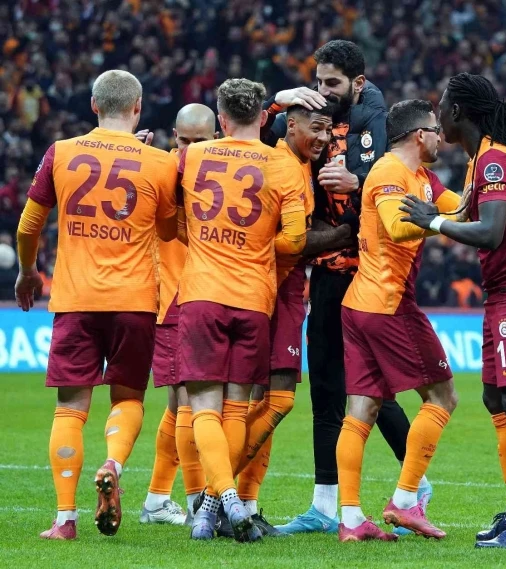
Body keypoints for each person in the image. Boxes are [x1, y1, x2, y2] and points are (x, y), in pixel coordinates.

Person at [264, 39, 430, 537]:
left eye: (331, 83)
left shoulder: (375, 117)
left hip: (369, 274)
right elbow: (263, 129)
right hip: (327, 274)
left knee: (372, 390)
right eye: (317, 81)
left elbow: (389, 176)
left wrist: (356, 181)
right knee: (328, 389)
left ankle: (415, 489)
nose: (322, 91)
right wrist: (280, 99)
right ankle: (324, 505)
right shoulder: (314, 111)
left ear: (358, 83)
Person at [400, 73, 506, 548]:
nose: (438, 115)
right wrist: (431, 211)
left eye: (442, 106)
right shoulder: (480, 160)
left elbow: (491, 232)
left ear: (459, 112)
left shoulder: (494, 159)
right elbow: (466, 218)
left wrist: (433, 222)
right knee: (495, 398)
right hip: (503, 292)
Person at [14, 70, 179, 540]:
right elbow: (169, 231)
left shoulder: (61, 152)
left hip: (76, 297)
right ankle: (113, 465)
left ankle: (65, 519)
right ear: (137, 107)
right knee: (127, 399)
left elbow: (27, 227)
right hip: (135, 300)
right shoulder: (159, 163)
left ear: (93, 105)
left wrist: (28, 272)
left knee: (70, 409)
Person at [176, 78, 308, 543]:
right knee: (236, 408)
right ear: (262, 116)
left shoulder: (191, 156)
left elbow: (173, 221)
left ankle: (220, 500)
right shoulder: (284, 163)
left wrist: (203, 240)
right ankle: (217, 508)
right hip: (254, 298)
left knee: (203, 409)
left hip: (202, 292)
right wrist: (256, 248)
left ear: (222, 119)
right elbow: (296, 239)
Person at [337, 100, 464, 542]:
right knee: (443, 397)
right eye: (435, 129)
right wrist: (439, 224)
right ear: (419, 135)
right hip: (388, 304)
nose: (441, 137)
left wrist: (488, 189)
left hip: (360, 305)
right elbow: (396, 225)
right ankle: (406, 500)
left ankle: (351, 520)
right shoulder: (390, 172)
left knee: (362, 409)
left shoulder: (423, 178)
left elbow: (462, 209)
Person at [234, 102, 336, 537]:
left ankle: (242, 503)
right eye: (316, 128)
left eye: (328, 130)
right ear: (289, 126)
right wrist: (347, 232)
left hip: (283, 287)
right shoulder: (281, 165)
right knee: (276, 400)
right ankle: (216, 494)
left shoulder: (298, 163)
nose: (323, 138)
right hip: (272, 287)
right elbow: (289, 241)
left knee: (263, 400)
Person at [139, 104, 217, 527]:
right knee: (189, 400)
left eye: (199, 142)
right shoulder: (161, 170)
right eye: (183, 141)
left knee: (178, 404)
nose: (188, 149)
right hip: (172, 300)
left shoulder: (221, 172)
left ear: (216, 138)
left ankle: (156, 499)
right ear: (173, 136)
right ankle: (194, 505)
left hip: (204, 297)